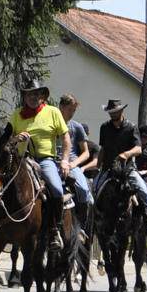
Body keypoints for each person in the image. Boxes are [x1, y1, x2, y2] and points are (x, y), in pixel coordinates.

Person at [8, 79, 71, 251]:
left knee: (56, 189)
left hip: (45, 160)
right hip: (21, 160)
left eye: (36, 94)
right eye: (29, 94)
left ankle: (55, 229)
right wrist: (16, 139)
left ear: (43, 97)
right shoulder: (17, 114)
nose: (32, 97)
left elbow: (65, 138)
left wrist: (65, 160)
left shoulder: (53, 112)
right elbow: (7, 139)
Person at [94, 99, 147, 240]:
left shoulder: (131, 127)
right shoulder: (104, 127)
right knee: (92, 191)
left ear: (122, 110)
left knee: (144, 191)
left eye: (115, 111)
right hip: (108, 169)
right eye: (110, 112)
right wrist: (97, 167)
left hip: (127, 170)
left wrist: (127, 154)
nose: (112, 114)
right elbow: (102, 149)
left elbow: (138, 149)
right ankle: (90, 224)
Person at [58, 94, 95, 223]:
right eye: (69, 109)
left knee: (84, 190)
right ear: (61, 107)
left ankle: (82, 227)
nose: (72, 113)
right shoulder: (50, 124)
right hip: (53, 162)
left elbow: (86, 153)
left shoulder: (77, 127)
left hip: (71, 164)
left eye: (74, 110)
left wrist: (73, 164)